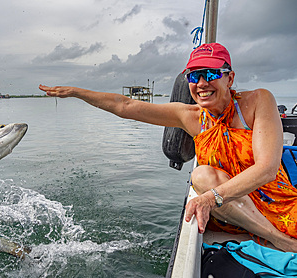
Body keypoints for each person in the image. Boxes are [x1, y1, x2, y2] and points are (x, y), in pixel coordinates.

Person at [39, 43, 297, 252]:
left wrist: (208, 198)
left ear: (230, 78)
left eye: (211, 74)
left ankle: (277, 235)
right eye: (194, 76)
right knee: (201, 175)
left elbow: (267, 169)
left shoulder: (258, 101)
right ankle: (277, 240)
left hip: (274, 199)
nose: (202, 83)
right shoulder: (192, 116)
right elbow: (126, 106)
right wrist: (76, 92)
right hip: (237, 209)